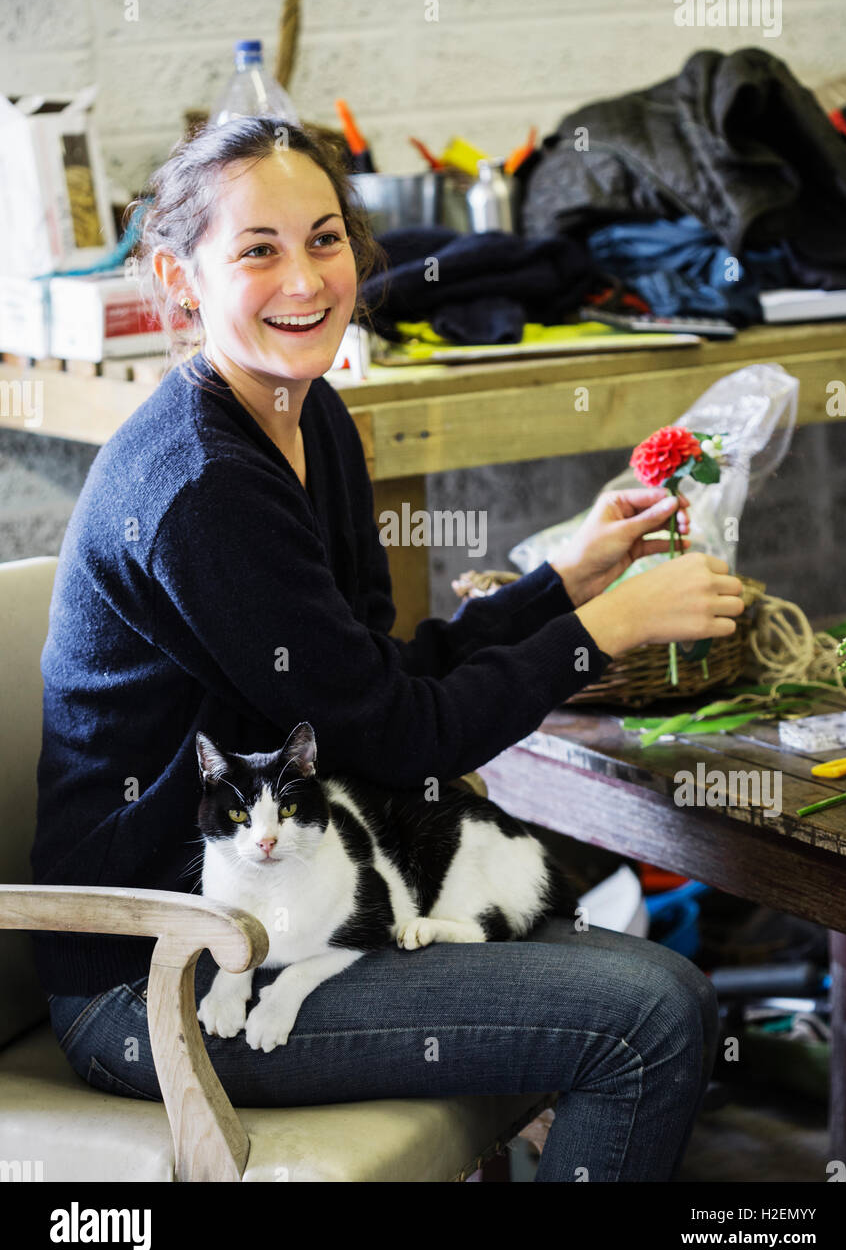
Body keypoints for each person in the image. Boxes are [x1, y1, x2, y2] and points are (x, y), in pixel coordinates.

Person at [33, 116, 744, 1182]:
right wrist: (602, 634)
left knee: (659, 988)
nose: (306, 279)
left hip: (300, 902)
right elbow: (405, 738)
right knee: (645, 1015)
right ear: (180, 282)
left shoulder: (305, 412)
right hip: (161, 975)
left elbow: (375, 684)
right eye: (257, 249)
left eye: (324, 238)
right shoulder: (202, 488)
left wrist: (566, 583)